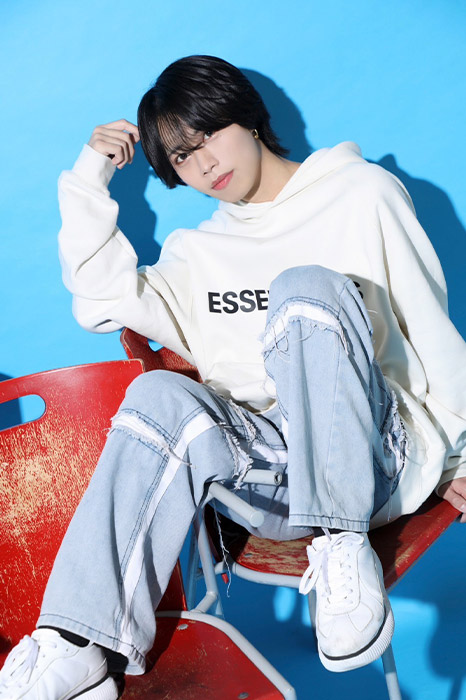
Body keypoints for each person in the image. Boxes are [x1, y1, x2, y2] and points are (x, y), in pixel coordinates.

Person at [1, 54, 466, 699]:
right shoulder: (198, 256)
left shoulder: (362, 194)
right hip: (274, 480)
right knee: (157, 392)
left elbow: (429, 326)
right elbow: (97, 303)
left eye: (208, 134)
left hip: (376, 456)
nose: (204, 164)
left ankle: (342, 544)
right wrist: (88, 177)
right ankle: (80, 642)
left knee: (305, 289)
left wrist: (463, 452)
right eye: (182, 157)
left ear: (246, 117)